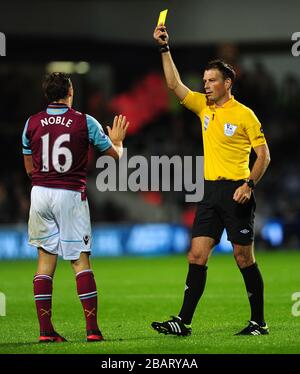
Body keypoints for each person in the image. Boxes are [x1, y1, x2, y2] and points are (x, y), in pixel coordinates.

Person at [151, 24, 271, 336]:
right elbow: (173, 83)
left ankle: (259, 322)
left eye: (211, 80)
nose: (205, 86)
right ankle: (183, 322)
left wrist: (248, 185)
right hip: (210, 192)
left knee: (243, 258)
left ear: (227, 83)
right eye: (204, 81)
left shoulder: (245, 115)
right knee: (196, 254)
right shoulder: (204, 107)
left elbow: (264, 156)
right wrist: (164, 48)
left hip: (237, 191)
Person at [22, 73, 129, 343]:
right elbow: (115, 157)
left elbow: (29, 169)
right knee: (80, 260)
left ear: (47, 94)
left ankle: (46, 332)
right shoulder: (84, 121)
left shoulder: (31, 123)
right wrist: (118, 142)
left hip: (40, 193)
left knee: (45, 262)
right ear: (70, 91)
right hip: (70, 194)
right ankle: (92, 330)